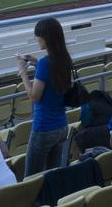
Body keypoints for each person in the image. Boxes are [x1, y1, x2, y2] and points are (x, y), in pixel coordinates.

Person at [17, 18, 72, 177]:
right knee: (52, 175)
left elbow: (34, 96)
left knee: (31, 177)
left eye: (38, 36)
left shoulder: (45, 64)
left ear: (46, 38)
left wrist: (23, 73)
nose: (37, 40)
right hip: (61, 126)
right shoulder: (64, 58)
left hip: (44, 128)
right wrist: (37, 63)